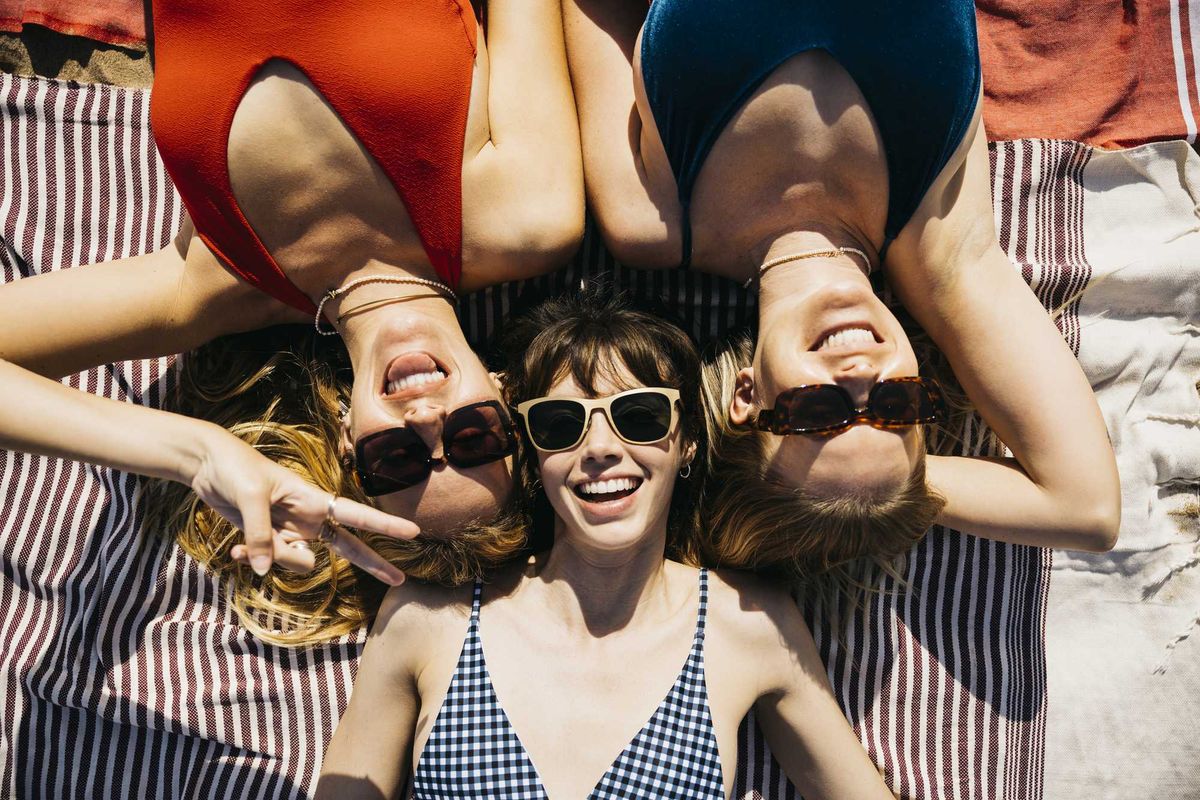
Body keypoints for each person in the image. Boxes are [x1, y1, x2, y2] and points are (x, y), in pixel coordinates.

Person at [0, 0, 583, 640]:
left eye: (397, 460)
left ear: (346, 438)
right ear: (507, 396)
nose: (425, 420)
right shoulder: (528, 221)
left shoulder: (220, 285)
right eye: (473, 439)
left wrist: (198, 453)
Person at [562, 0, 1120, 583]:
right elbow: (1087, 509)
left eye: (821, 413)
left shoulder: (651, 221)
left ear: (748, 398)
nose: (860, 376)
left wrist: (871, 469)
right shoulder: (941, 252)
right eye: (895, 408)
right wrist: (881, 489)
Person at [315, 289, 895, 800]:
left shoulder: (748, 625)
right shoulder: (430, 617)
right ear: (531, 450)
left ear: (687, 439)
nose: (599, 447)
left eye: (639, 416)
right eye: (561, 423)